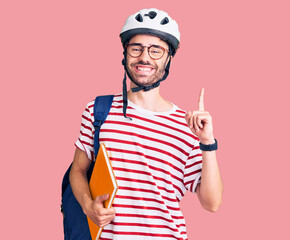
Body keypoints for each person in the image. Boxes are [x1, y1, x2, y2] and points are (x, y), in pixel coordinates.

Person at [69, 8, 223, 240]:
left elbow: (212, 203)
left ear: (169, 58)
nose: (145, 57)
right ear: (125, 53)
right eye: (136, 48)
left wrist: (207, 142)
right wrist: (87, 205)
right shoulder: (98, 110)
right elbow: (78, 171)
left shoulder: (186, 125)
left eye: (156, 50)